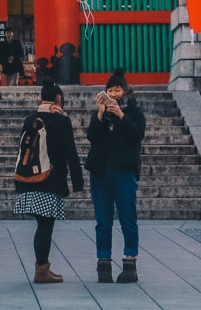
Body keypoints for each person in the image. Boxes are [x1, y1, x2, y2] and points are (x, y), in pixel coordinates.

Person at [13, 82, 83, 284]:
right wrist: (77, 182)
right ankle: (41, 270)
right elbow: (70, 152)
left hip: (29, 179)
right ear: (59, 99)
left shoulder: (30, 119)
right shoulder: (61, 121)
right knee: (45, 226)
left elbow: (22, 151)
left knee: (42, 225)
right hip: (50, 181)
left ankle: (42, 267)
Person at [86, 69, 145, 284]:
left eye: (117, 89)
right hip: (100, 172)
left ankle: (130, 262)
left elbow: (137, 134)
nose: (113, 93)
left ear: (125, 90)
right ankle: (104, 262)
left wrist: (120, 115)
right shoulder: (100, 113)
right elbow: (91, 136)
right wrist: (101, 114)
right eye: (110, 89)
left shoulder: (134, 111)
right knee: (103, 220)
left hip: (124, 171)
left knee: (128, 217)